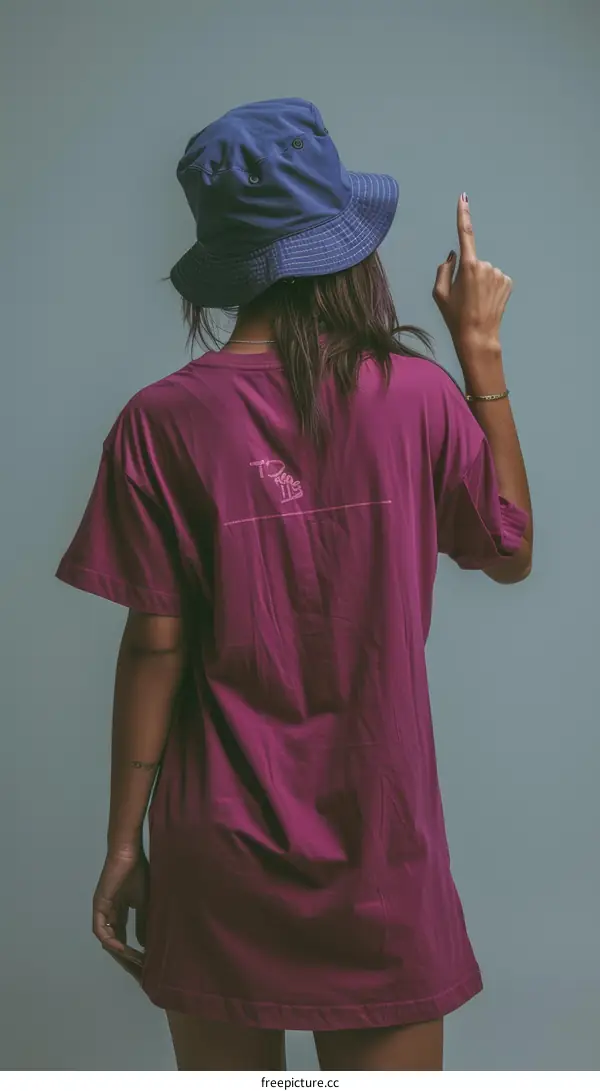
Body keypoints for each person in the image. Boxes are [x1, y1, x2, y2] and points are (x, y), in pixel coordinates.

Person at [55, 98, 532, 1072]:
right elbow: (508, 549)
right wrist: (481, 354)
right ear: (343, 243)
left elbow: (155, 641)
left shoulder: (161, 421)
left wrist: (121, 839)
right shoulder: (419, 396)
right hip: (381, 855)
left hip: (215, 852)